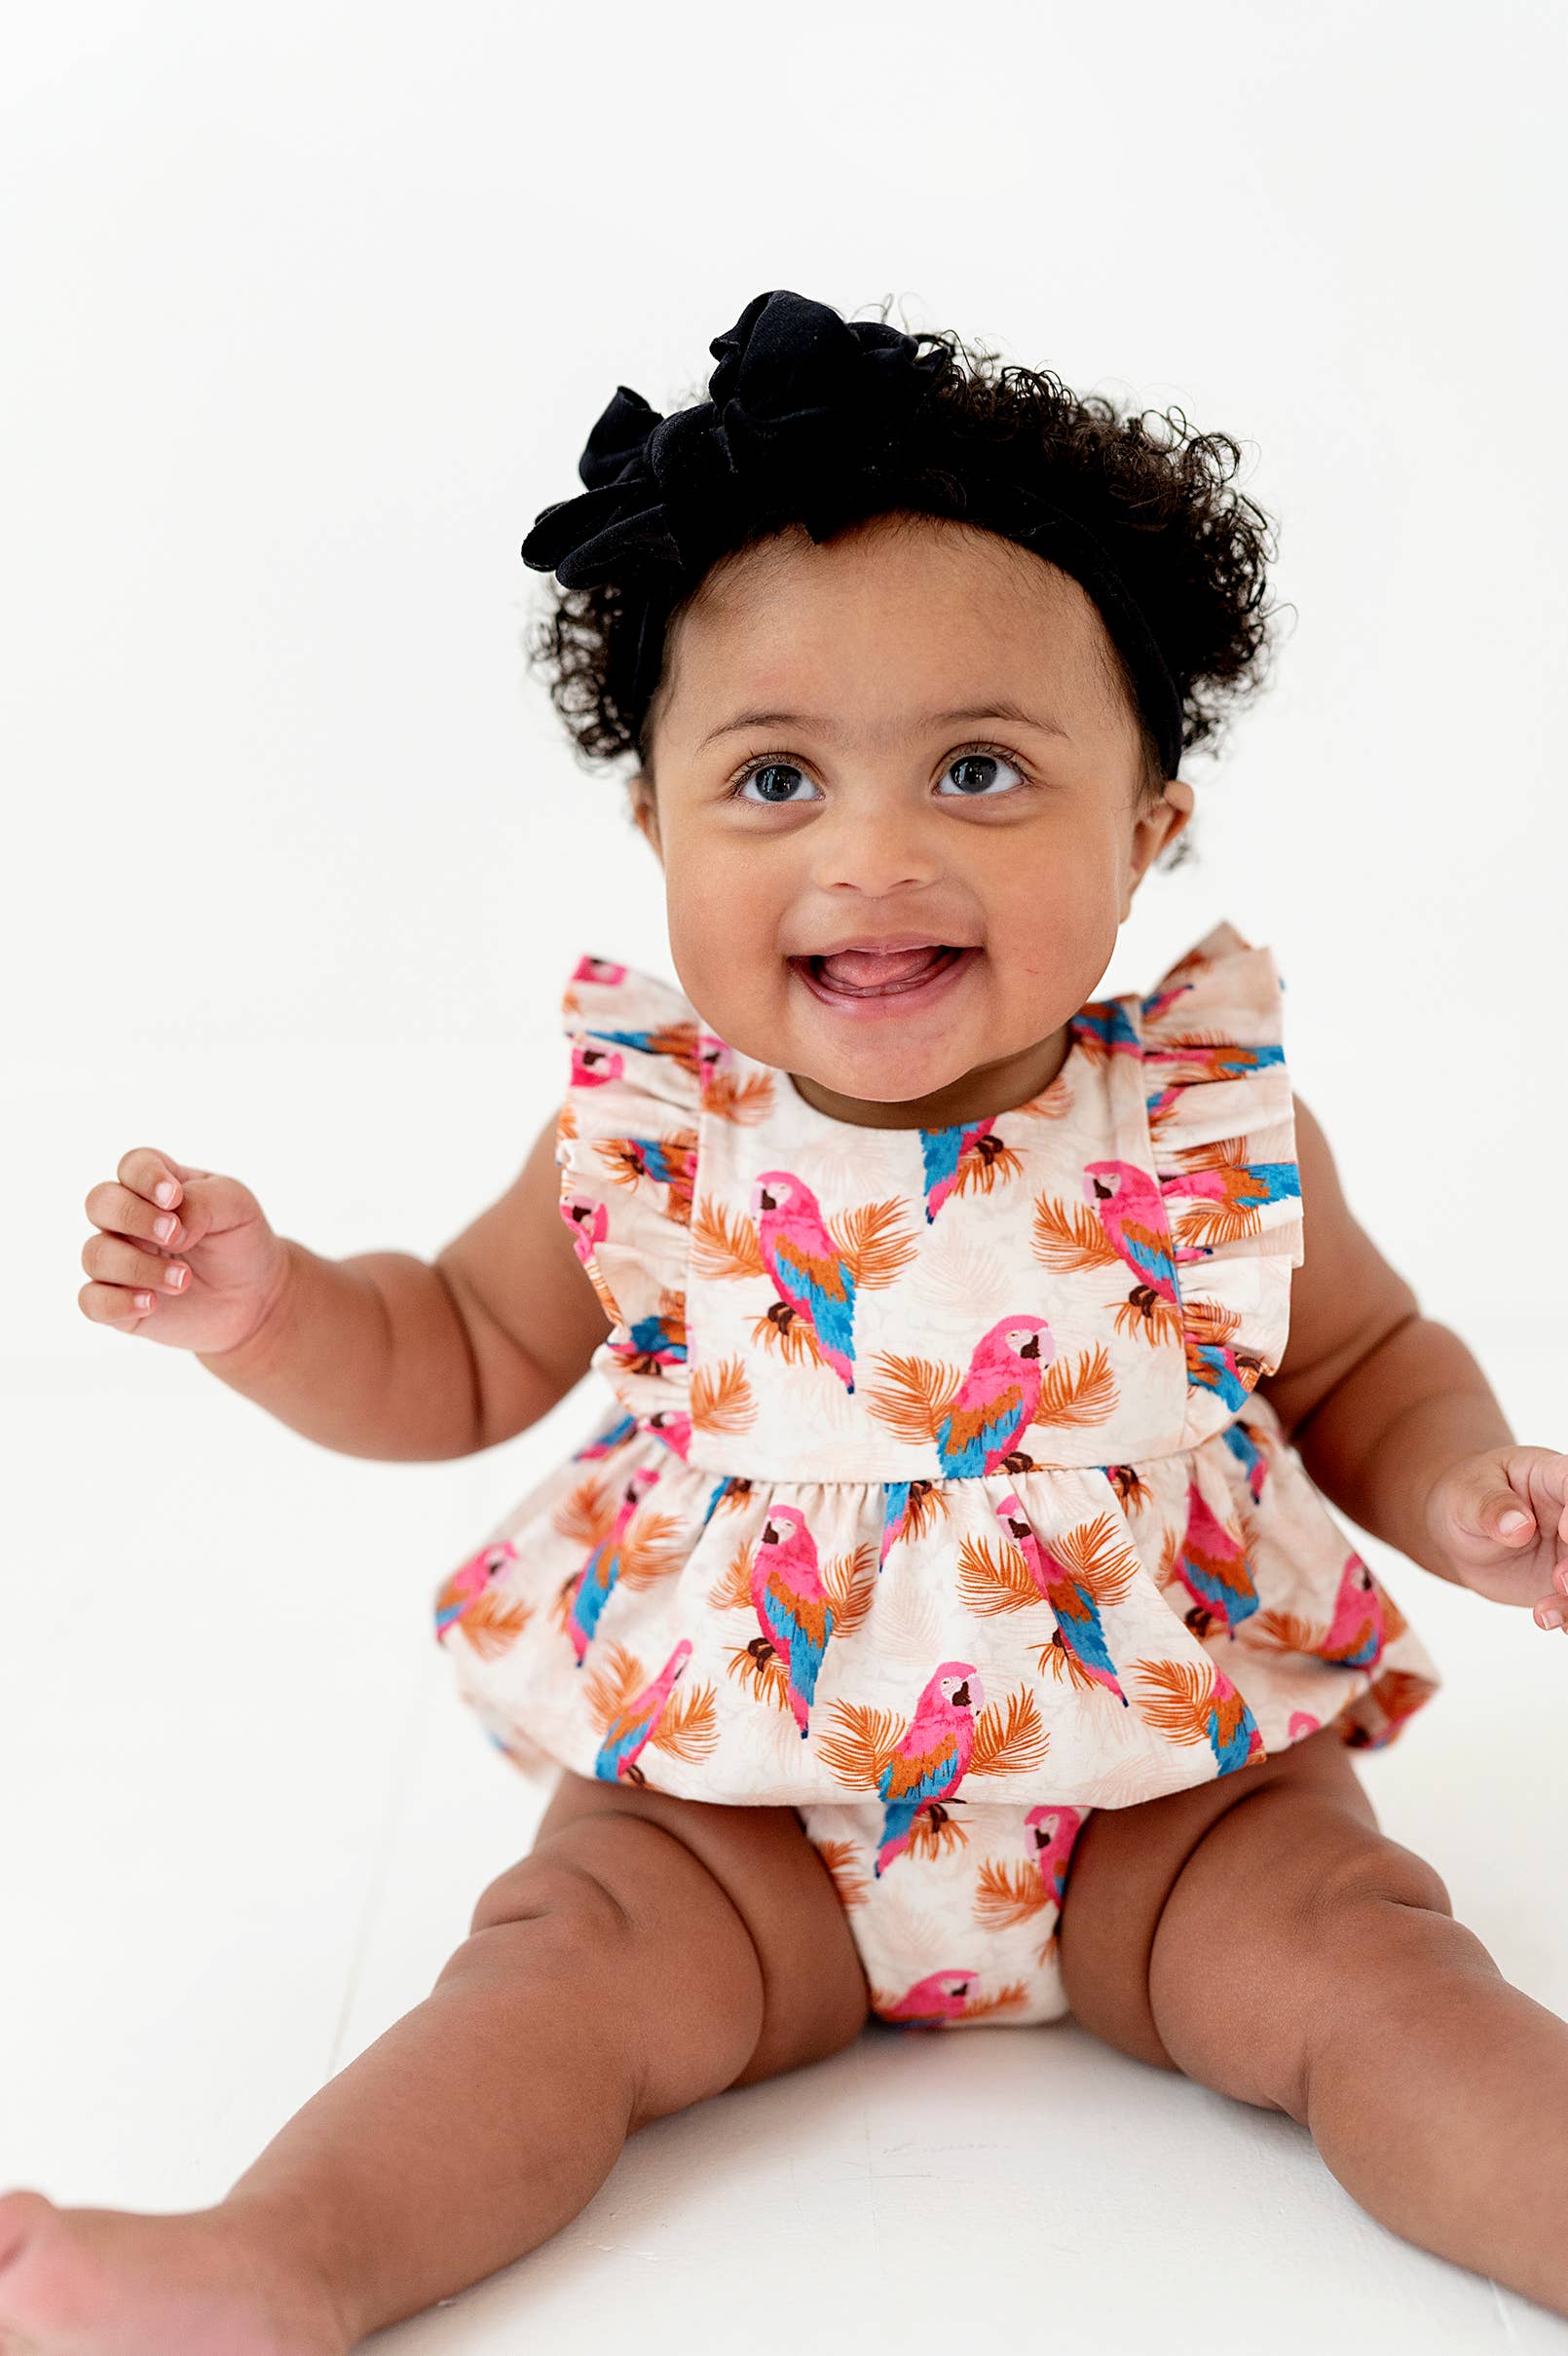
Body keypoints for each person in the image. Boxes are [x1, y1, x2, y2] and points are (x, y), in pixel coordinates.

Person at [21, 288, 1568, 2349]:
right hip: (724, 1808)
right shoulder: (652, 1132)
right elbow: (454, 1354)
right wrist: (272, 1306)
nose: (874, 851)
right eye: (770, 779)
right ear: (653, 826)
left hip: (1174, 1797)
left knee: (1380, 1975)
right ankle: (275, 2264)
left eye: (981, 767)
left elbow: (1364, 1359)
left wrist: (1463, 1485)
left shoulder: (1204, 1114)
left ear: (1148, 824)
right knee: (551, 1969)